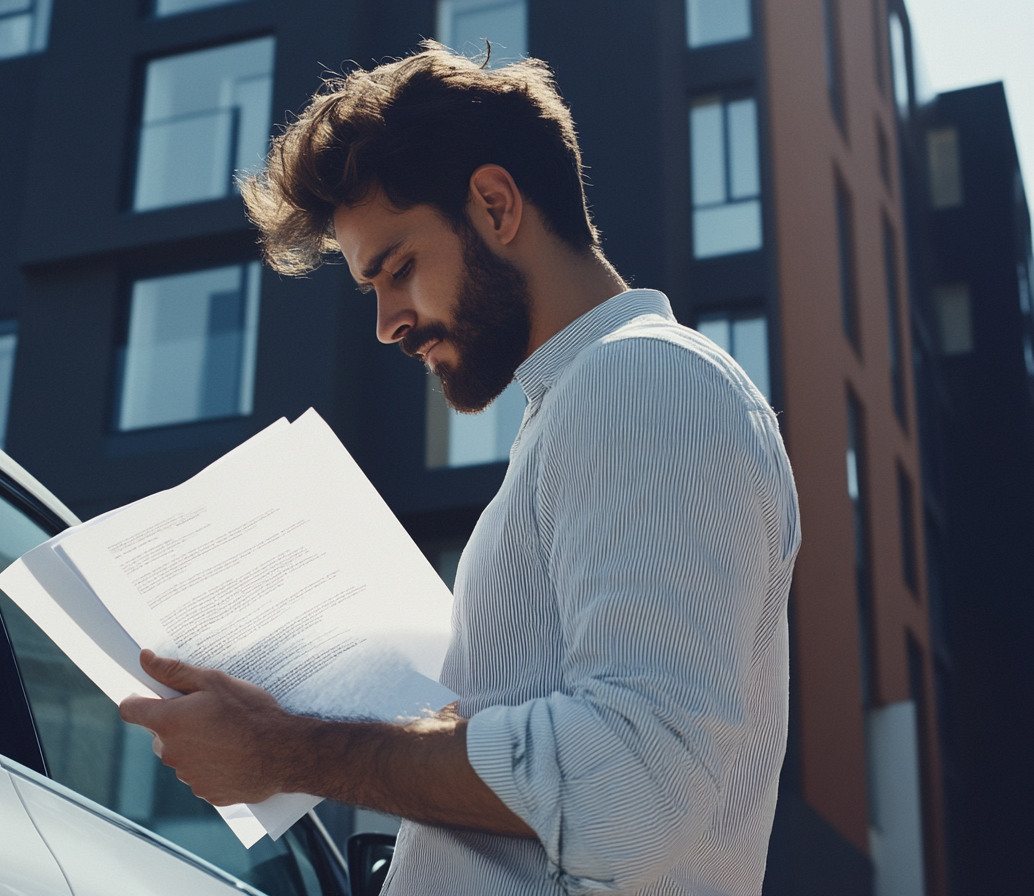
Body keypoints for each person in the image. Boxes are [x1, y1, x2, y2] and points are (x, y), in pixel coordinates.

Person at [120, 43, 800, 896]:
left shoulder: (641, 381)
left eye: (398, 268)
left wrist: (283, 752)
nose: (386, 325)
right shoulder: (586, 407)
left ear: (494, 204)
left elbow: (634, 789)